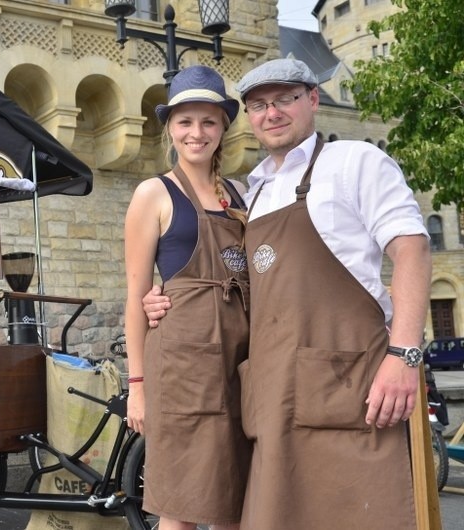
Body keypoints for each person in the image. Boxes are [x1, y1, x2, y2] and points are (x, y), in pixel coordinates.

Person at [142, 58, 432, 529]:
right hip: (274, 397)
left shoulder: (353, 161)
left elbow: (413, 251)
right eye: (259, 105)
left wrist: (404, 354)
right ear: (250, 119)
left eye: (284, 99)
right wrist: (163, 292)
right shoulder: (253, 192)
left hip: (351, 388)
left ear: (312, 100)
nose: (271, 113)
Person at [124, 65, 252, 530]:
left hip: (241, 364)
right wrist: (136, 387)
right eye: (185, 122)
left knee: (237, 500)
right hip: (183, 370)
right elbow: (136, 298)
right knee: (181, 506)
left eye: (208, 122)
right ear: (170, 129)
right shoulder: (153, 194)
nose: (197, 133)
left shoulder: (240, 195)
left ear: (223, 128)